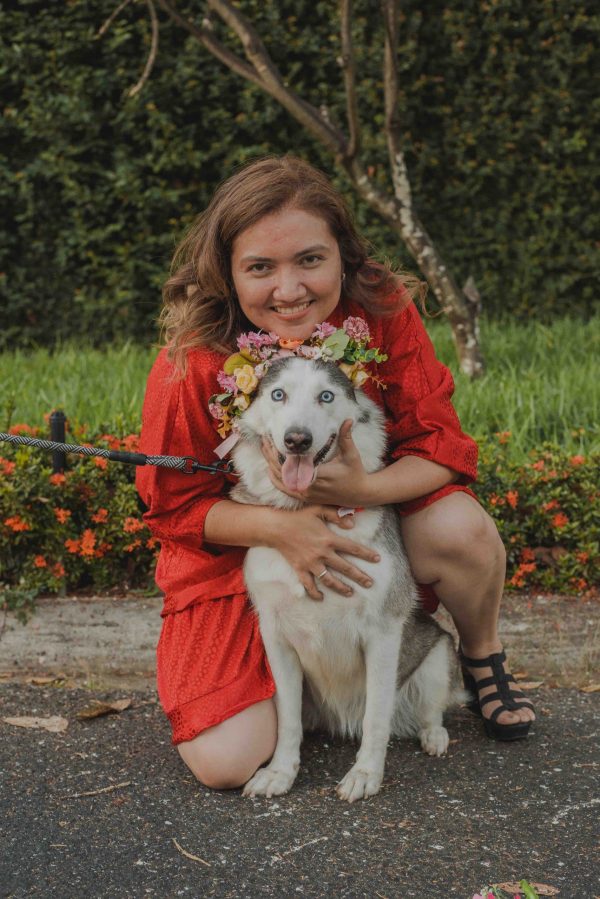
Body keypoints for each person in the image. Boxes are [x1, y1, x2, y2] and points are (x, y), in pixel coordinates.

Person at [137, 155, 535, 790]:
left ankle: (481, 657)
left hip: (368, 525)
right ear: (227, 273)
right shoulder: (193, 358)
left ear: (343, 257)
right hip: (238, 559)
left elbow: (441, 447)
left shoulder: (379, 312)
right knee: (225, 763)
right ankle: (308, 696)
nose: (289, 289)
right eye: (260, 268)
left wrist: (362, 489)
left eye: (310, 260)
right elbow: (171, 507)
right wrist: (281, 529)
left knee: (458, 528)